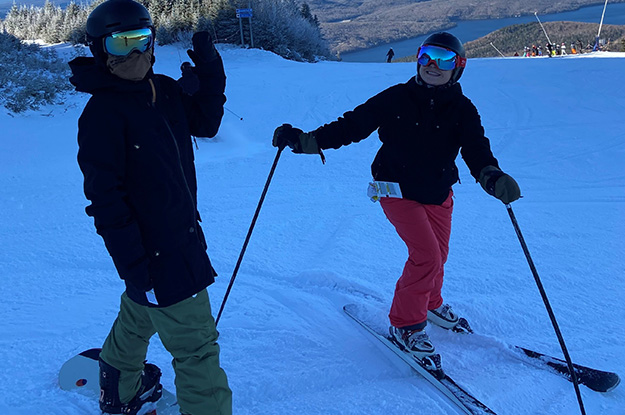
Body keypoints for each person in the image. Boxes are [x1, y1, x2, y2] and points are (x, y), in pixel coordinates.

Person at [272, 32, 520, 370]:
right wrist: (306, 141)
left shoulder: (463, 109)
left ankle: (430, 303)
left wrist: (491, 175)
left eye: (444, 60)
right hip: (395, 189)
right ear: (418, 59)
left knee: (438, 255)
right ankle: (406, 324)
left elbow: (476, 148)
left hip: (437, 191)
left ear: (458, 68)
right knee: (426, 256)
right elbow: (352, 126)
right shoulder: (396, 98)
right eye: (427, 57)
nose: (433, 65)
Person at [68, 0, 232, 414]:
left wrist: (210, 69)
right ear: (100, 50)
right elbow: (106, 204)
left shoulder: (164, 89)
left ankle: (118, 385)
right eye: (122, 44)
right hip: (157, 253)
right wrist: (136, 266)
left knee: (140, 311)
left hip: (183, 236)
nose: (136, 54)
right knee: (197, 351)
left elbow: (207, 123)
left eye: (142, 40)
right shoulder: (101, 115)